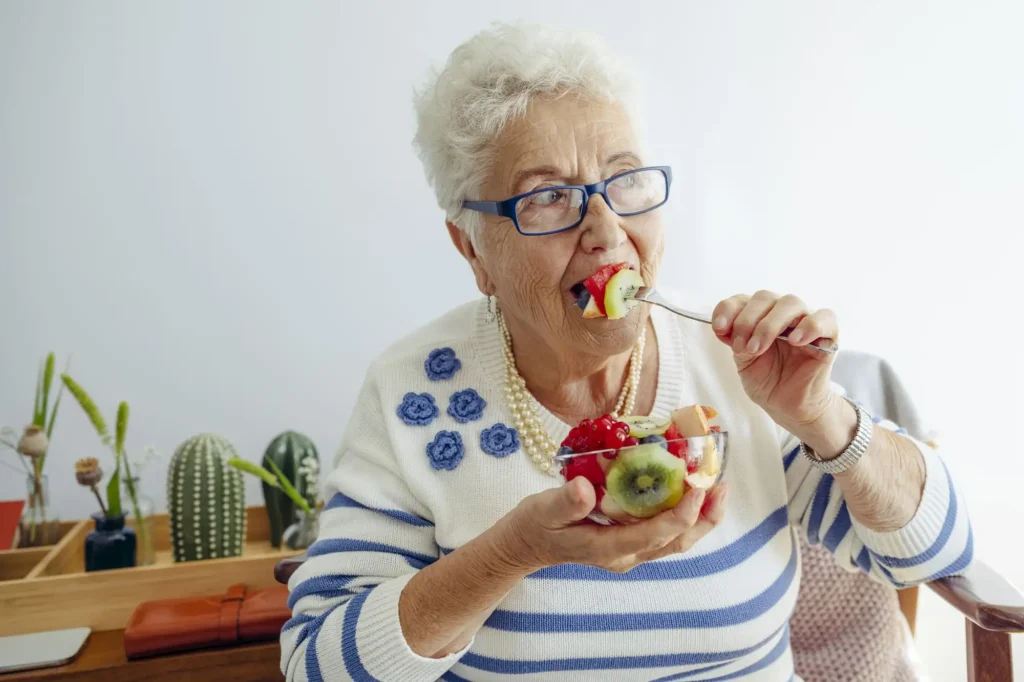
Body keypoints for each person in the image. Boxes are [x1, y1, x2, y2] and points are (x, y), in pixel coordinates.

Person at [281, 22, 972, 682]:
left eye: (625, 180)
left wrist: (820, 415)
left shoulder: (736, 362)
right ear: (473, 250)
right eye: (550, 197)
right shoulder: (411, 395)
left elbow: (940, 550)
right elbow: (316, 664)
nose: (607, 231)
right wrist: (512, 554)